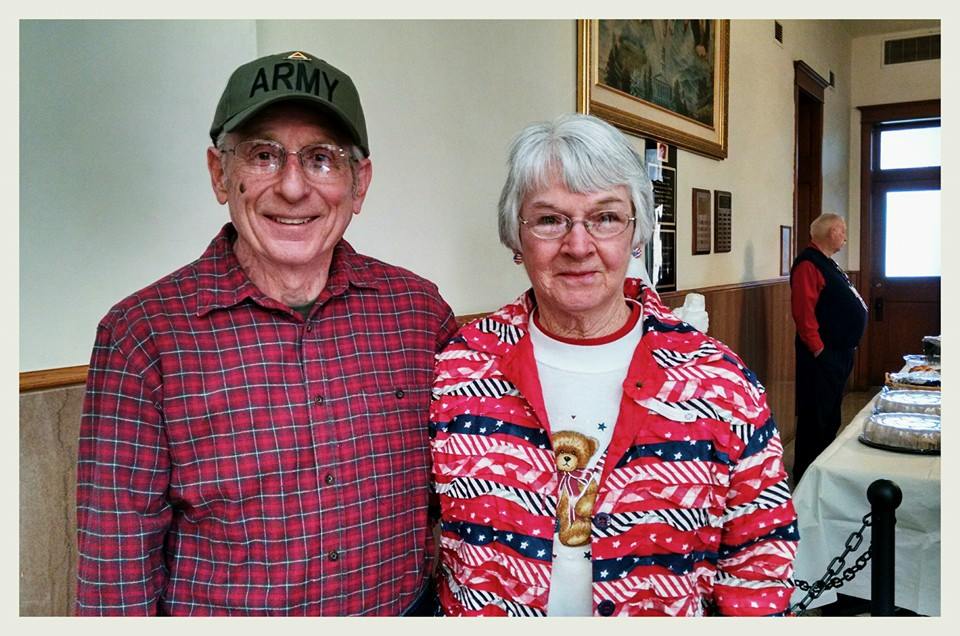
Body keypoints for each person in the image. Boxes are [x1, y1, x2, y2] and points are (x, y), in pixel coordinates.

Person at [75, 50, 457, 615]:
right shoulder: (142, 337)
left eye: (323, 159)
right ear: (219, 174)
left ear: (360, 184)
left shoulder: (419, 313)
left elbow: (467, 497)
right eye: (263, 155)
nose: (294, 187)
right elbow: (116, 570)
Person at [429, 114, 798, 617]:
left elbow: (760, 549)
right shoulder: (459, 370)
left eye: (605, 218)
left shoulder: (717, 381)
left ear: (638, 232)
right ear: (517, 239)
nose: (578, 246)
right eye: (549, 219)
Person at [789, 213, 867, 484]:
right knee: (816, 417)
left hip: (838, 352)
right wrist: (819, 350)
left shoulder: (828, 264)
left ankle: (823, 471)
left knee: (830, 416)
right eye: (842, 230)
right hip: (822, 356)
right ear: (831, 232)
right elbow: (804, 313)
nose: (845, 235)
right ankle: (807, 477)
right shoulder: (809, 265)